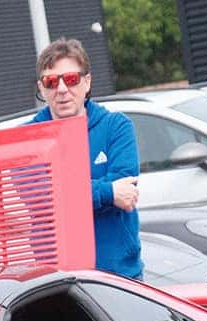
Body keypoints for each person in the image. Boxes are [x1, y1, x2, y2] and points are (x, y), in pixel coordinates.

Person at [29, 37, 143, 280]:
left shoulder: (117, 127)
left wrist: (64, 195)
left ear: (87, 81)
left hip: (119, 274)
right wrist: (108, 192)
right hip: (55, 279)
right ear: (41, 87)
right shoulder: (27, 138)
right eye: (51, 82)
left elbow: (126, 186)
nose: (61, 89)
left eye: (71, 79)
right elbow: (40, 198)